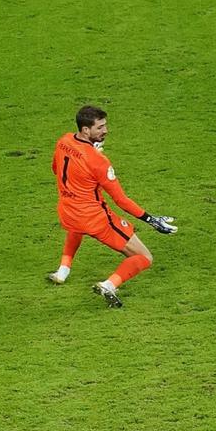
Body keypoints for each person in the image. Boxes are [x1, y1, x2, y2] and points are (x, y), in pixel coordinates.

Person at [46, 105, 177, 308]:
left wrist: (88, 153)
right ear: (85, 130)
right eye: (100, 127)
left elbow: (56, 168)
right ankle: (109, 285)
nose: (105, 130)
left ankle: (63, 271)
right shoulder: (99, 161)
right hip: (95, 219)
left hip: (67, 211)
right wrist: (151, 220)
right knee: (144, 257)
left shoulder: (63, 141)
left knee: (76, 228)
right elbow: (121, 200)